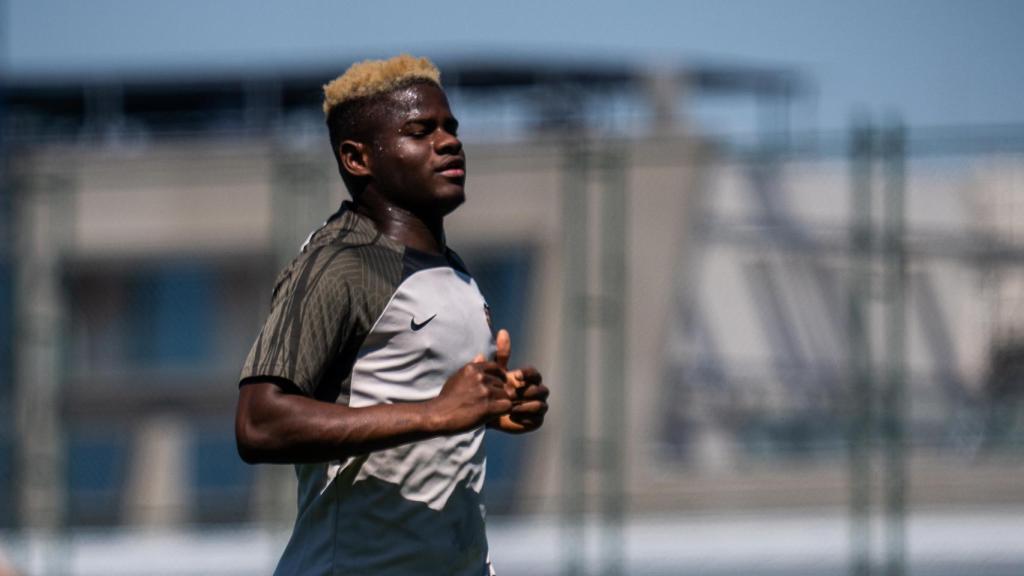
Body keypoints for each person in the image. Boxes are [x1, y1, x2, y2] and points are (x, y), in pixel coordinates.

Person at [234, 54, 549, 576]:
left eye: (450, 127)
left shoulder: (456, 273)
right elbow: (258, 422)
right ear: (358, 159)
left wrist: (494, 405)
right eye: (419, 131)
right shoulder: (339, 264)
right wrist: (437, 413)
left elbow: (424, 400)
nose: (449, 142)